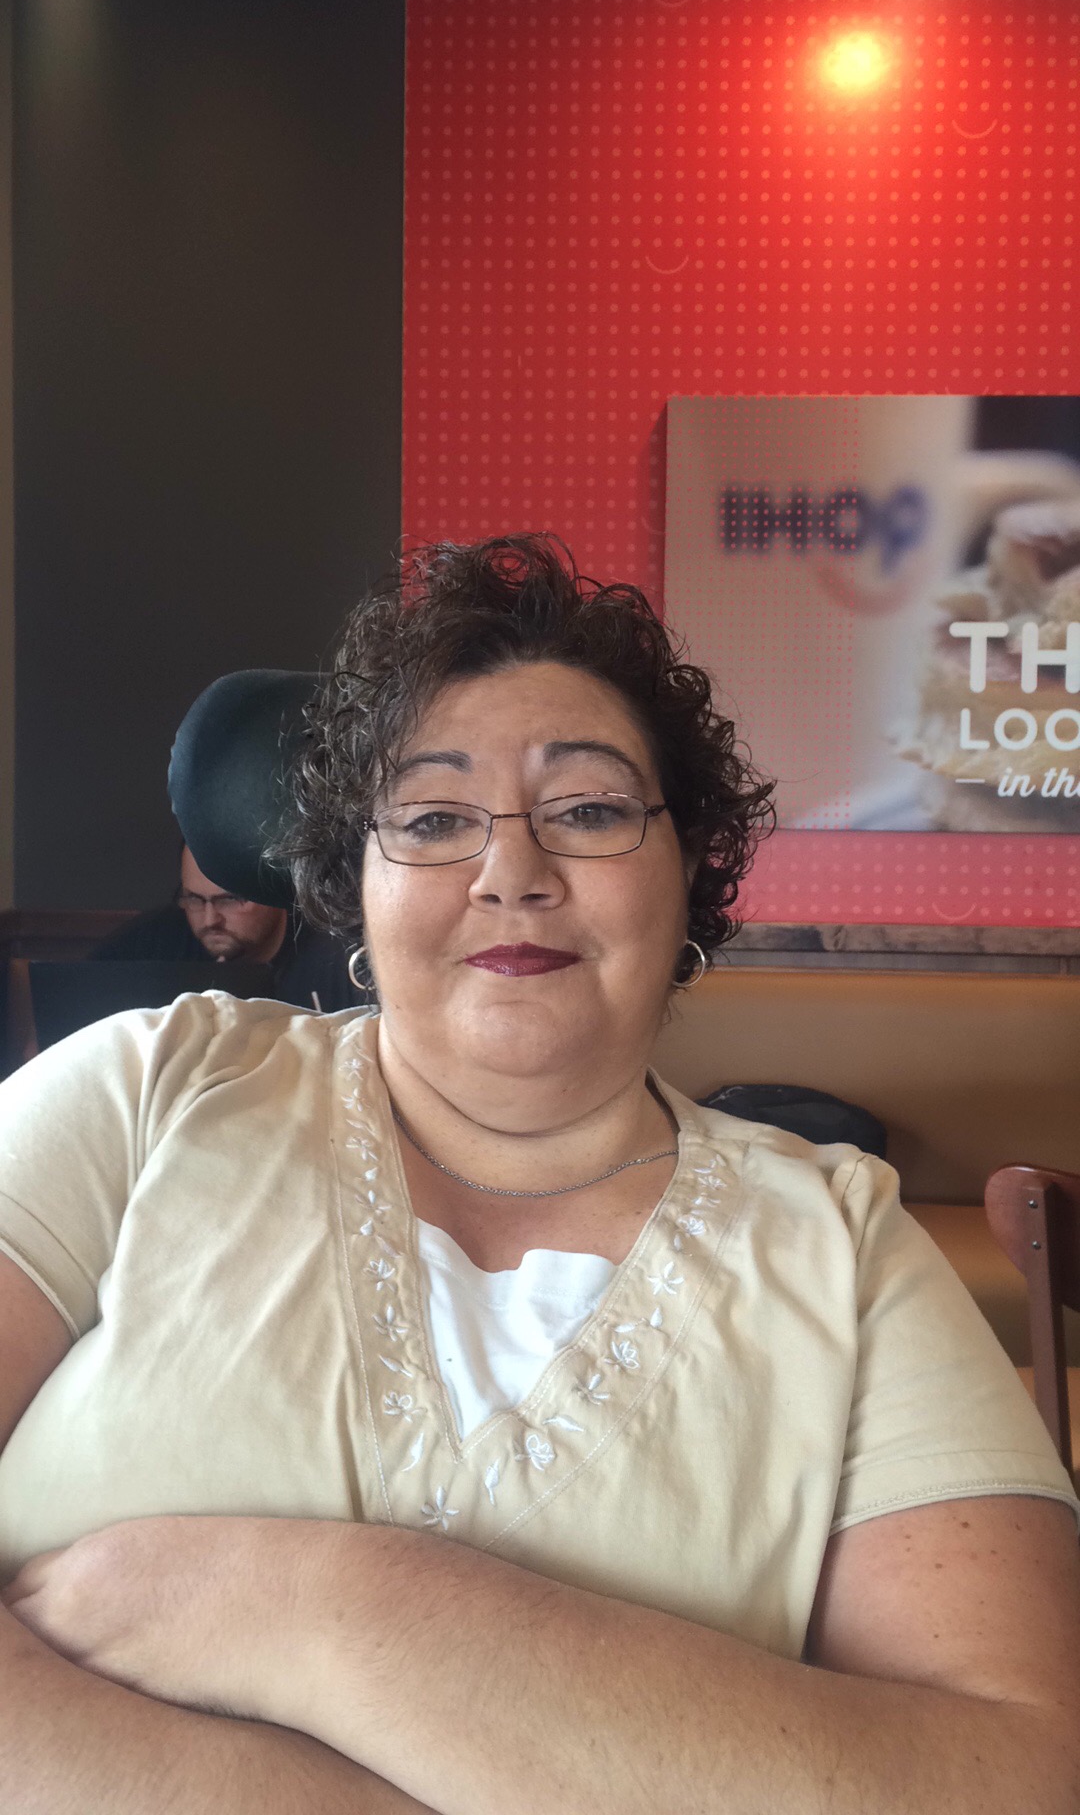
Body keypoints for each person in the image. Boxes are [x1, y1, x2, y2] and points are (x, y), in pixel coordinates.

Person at [0, 534, 1078, 1815]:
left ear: (691, 868)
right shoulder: (144, 1089)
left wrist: (322, 1610)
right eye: (433, 818)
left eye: (589, 811)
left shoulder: (846, 1246)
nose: (511, 873)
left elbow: (1014, 1775)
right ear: (355, 880)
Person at [95, 841, 361, 1012]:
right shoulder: (152, 944)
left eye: (230, 900)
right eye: (194, 899)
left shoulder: (336, 955)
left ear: (274, 890)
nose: (210, 920)